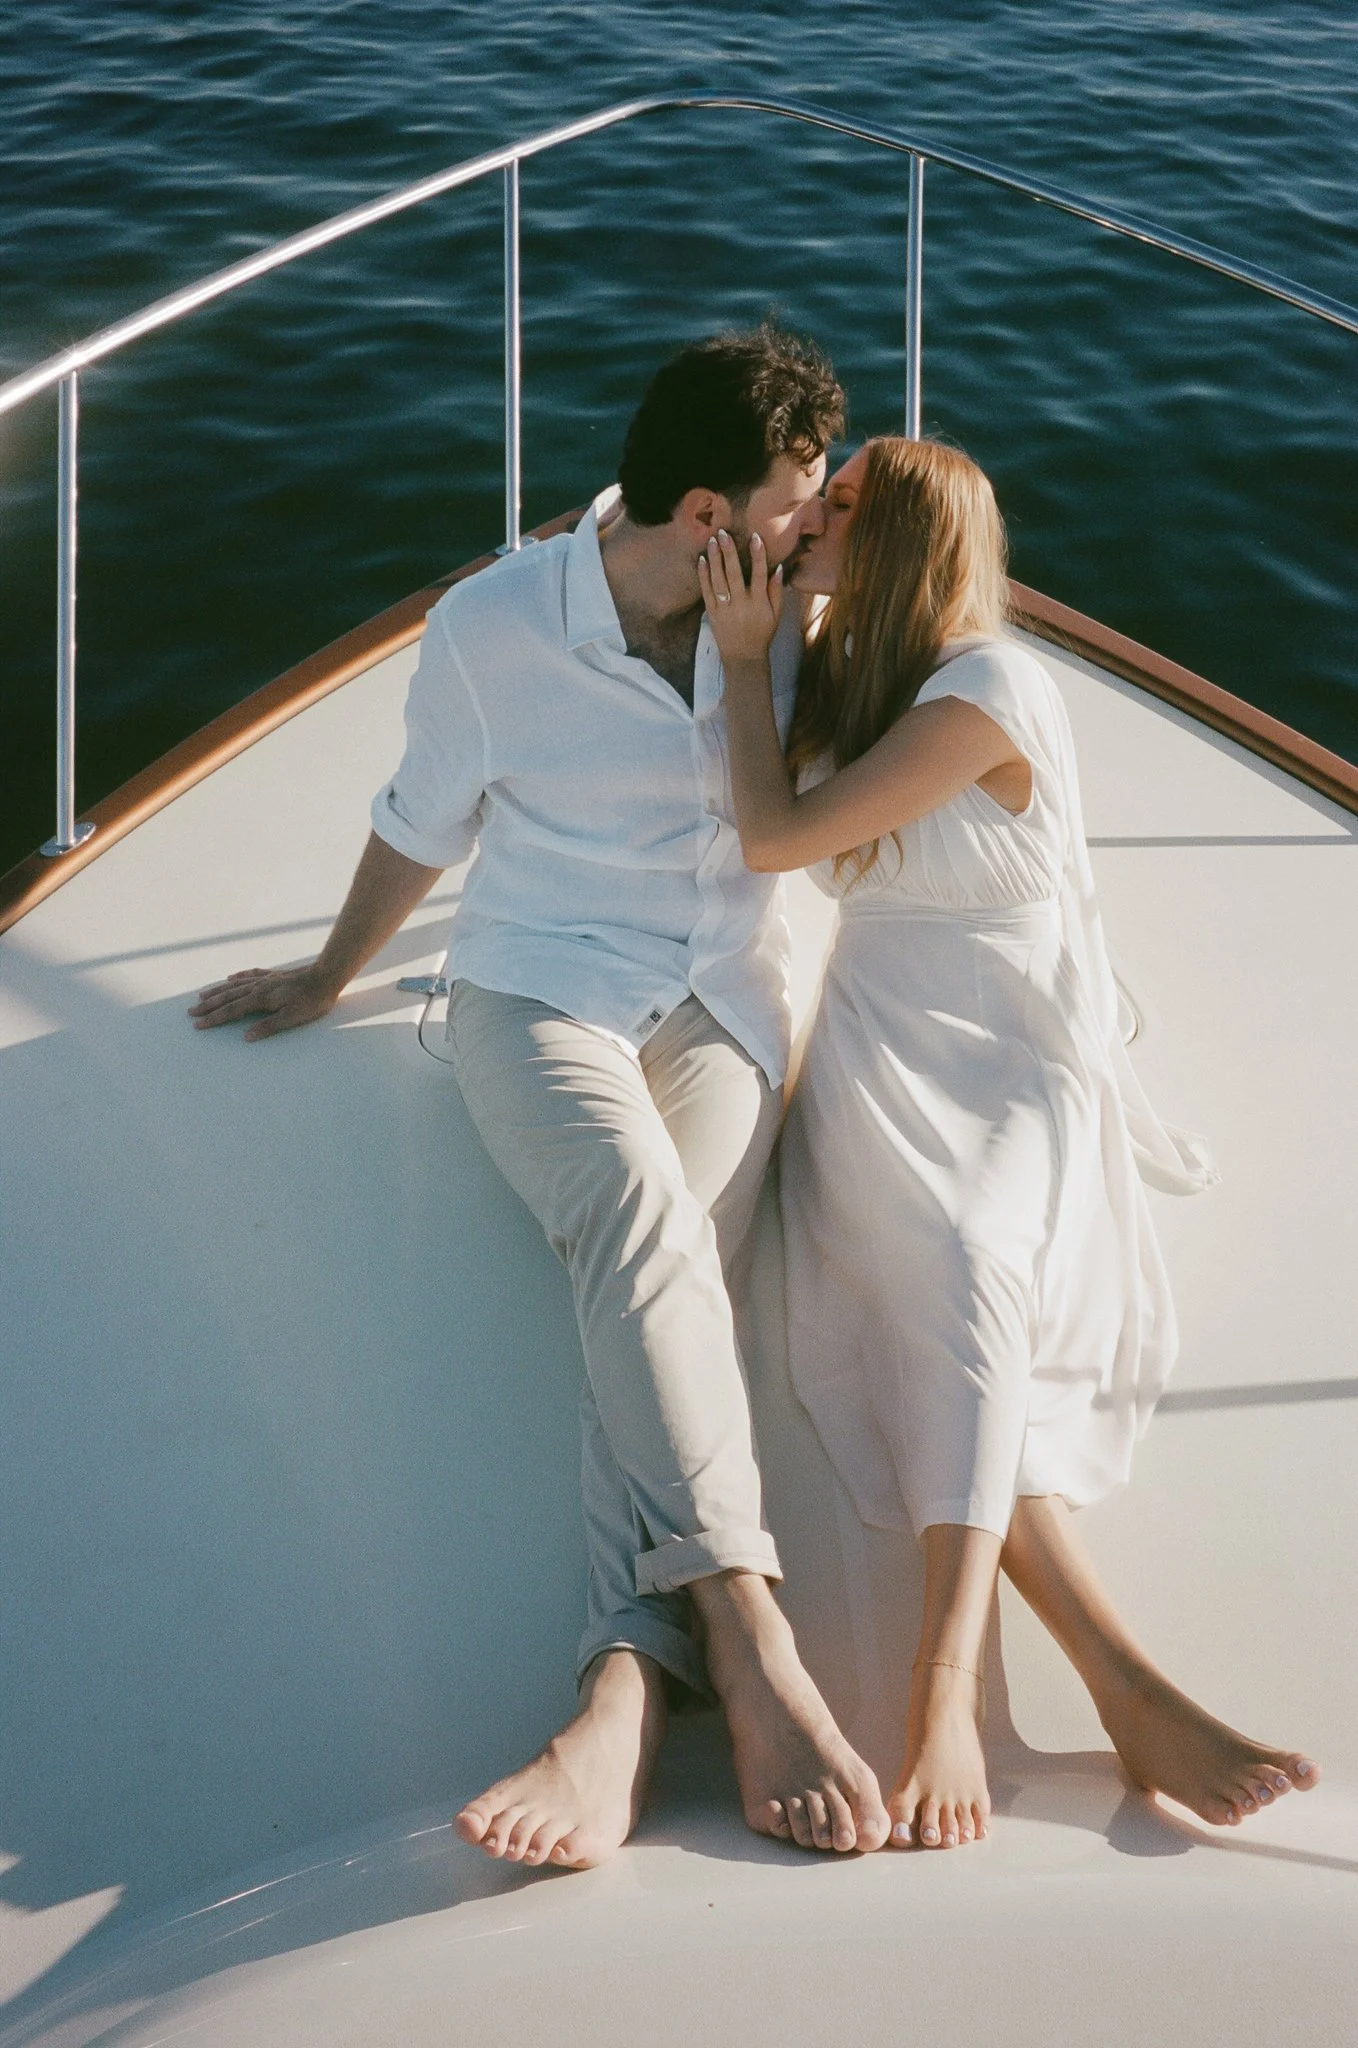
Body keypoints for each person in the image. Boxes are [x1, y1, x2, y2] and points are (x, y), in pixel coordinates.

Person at [189, 327, 895, 1867]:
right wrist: (326, 976)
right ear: (707, 515)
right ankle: (754, 1637)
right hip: (538, 989)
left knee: (655, 1278)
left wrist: (808, 636)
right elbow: (420, 821)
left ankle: (625, 1686)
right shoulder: (493, 625)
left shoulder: (788, 614)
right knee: (639, 1218)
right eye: (796, 494)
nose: (817, 515)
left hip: (719, 989)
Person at [698, 433, 1320, 1852]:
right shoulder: (861, 665)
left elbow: (774, 838)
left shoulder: (986, 686)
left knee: (970, 1265)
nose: (811, 518)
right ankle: (1127, 1687)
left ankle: (942, 1694)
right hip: (878, 1032)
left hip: (1002, 1037)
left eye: (839, 507)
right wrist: (776, 634)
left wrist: (748, 666)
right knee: (946, 1306)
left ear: (908, 538)